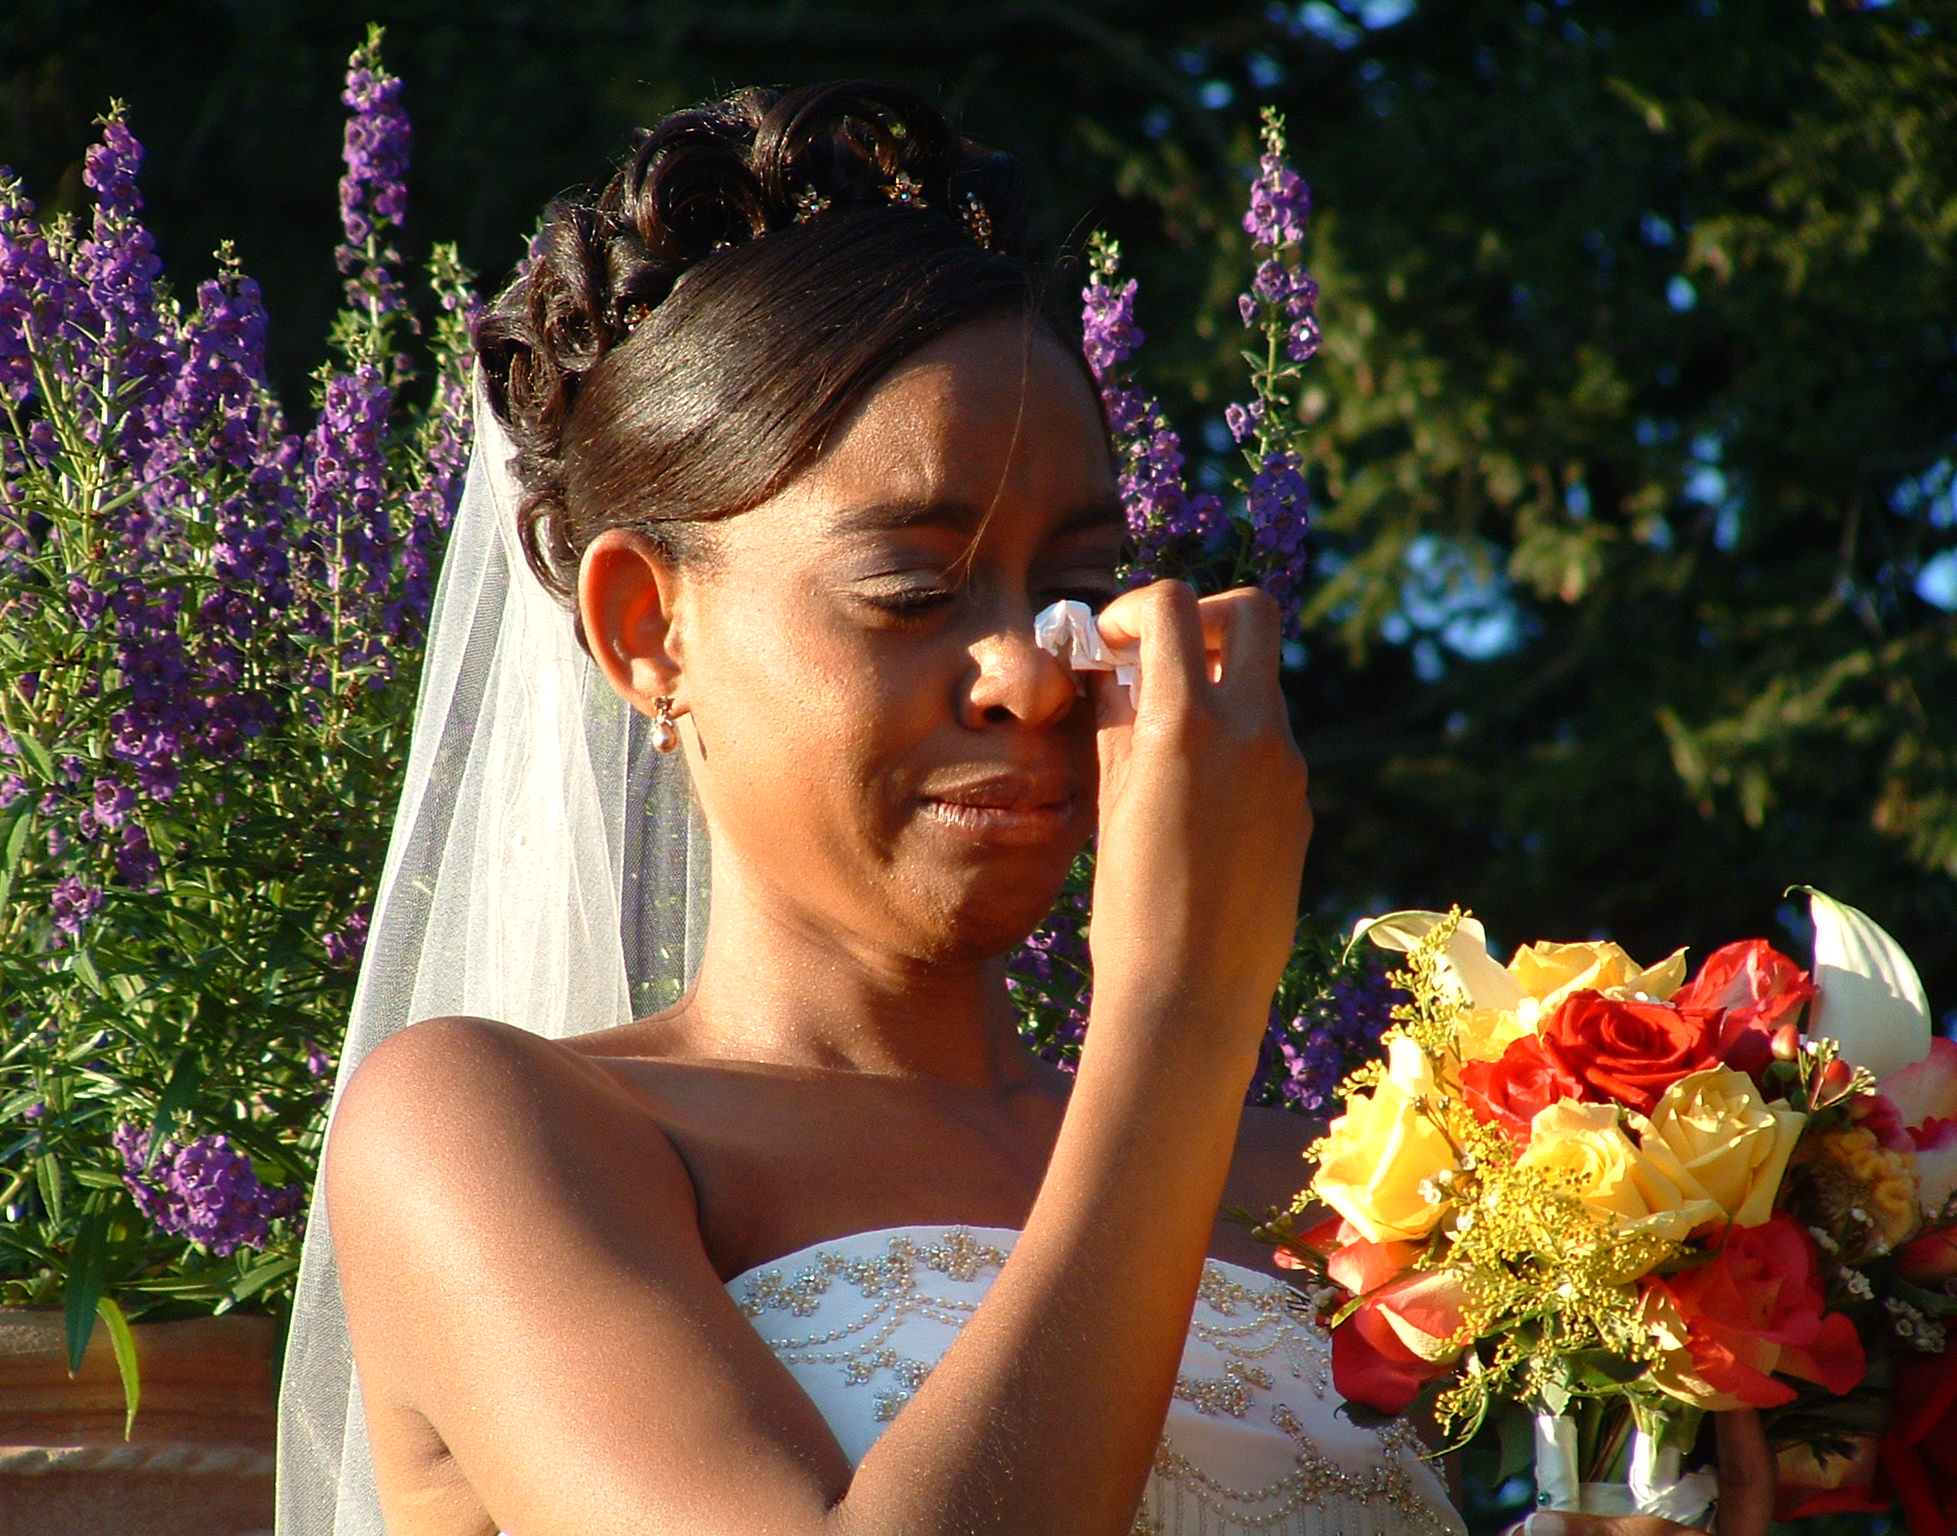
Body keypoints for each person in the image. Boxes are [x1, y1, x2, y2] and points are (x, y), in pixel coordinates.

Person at [279, 81, 1773, 1536]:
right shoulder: (499, 1134)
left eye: (1075, 586)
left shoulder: (1332, 1184)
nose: (1033, 673)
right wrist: (1184, 1004)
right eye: (911, 589)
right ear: (646, 631)